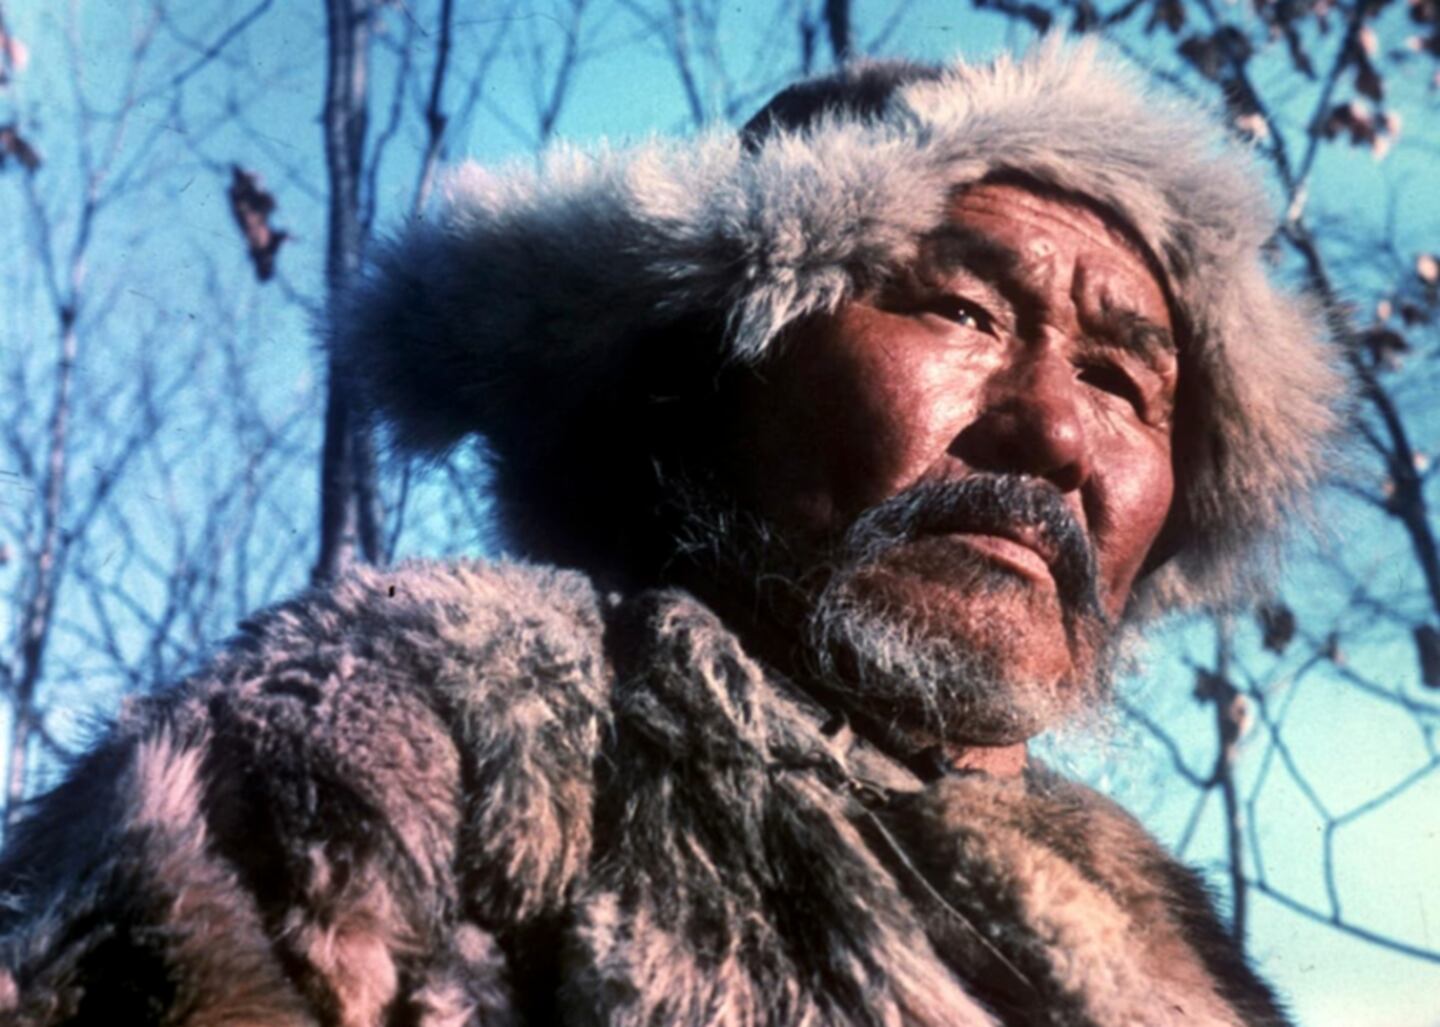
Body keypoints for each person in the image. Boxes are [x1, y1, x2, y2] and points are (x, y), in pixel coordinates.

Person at [0, 42, 1341, 1026]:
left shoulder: (1177, 950)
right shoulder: (424, 718)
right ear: (715, 374)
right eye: (961, 311)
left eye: (1122, 380)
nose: (1055, 429)